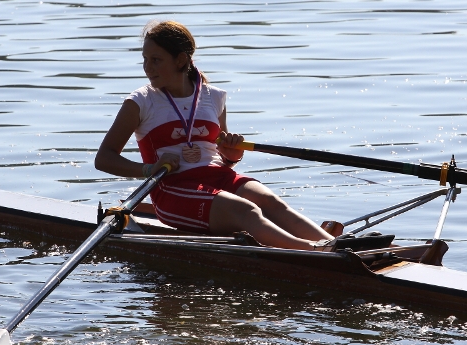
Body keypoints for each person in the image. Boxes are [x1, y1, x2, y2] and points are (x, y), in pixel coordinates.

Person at [95, 20, 338, 251]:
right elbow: (104, 158)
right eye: (145, 59)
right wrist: (149, 169)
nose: (147, 68)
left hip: (218, 176)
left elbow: (220, 155)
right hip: (172, 188)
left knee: (271, 202)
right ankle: (319, 252)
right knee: (247, 211)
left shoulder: (213, 97)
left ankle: (338, 245)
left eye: (156, 60)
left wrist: (231, 156)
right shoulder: (140, 102)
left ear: (181, 60)